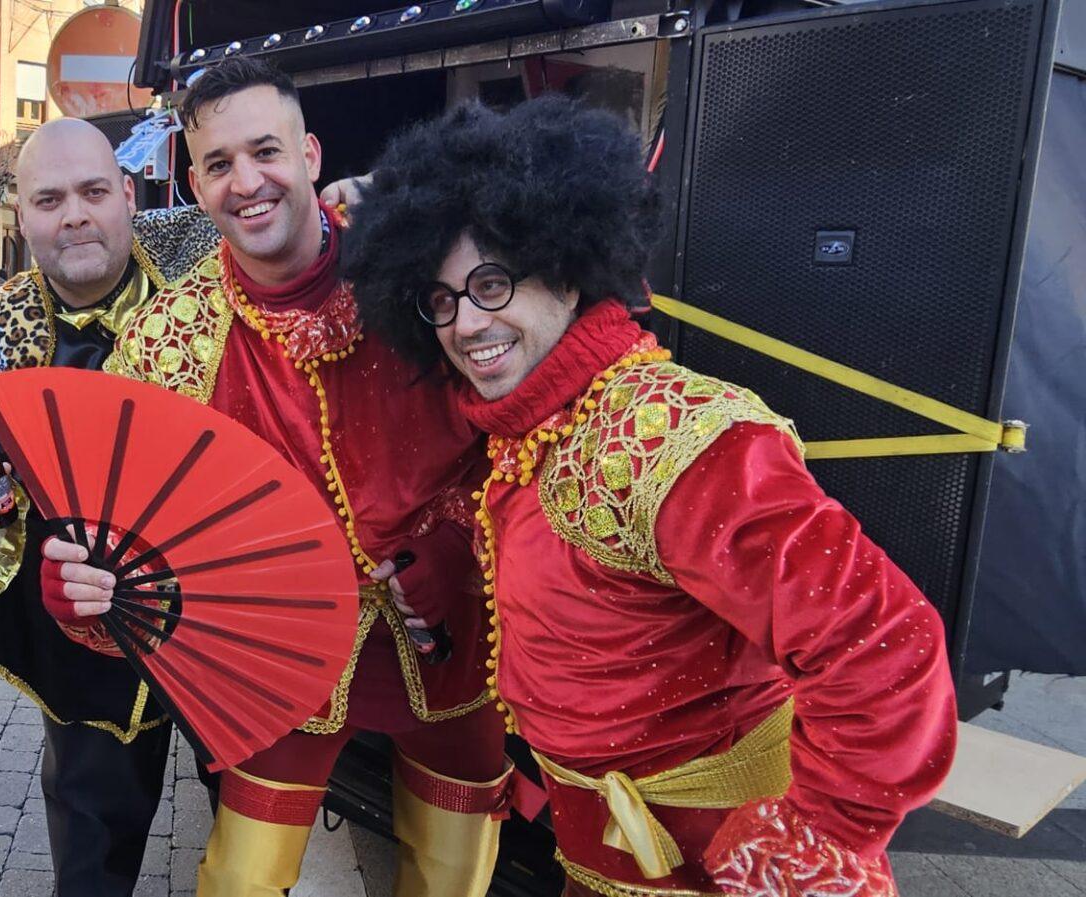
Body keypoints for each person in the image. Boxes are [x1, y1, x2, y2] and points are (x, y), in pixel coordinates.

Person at [346, 97, 957, 897]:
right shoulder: (527, 428)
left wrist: (808, 839)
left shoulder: (676, 438)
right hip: (600, 862)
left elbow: (889, 647)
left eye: (491, 282)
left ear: (565, 264)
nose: (465, 322)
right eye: (441, 300)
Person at [59, 58, 511, 896]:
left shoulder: (424, 280)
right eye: (220, 164)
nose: (247, 181)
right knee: (239, 878)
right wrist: (85, 589)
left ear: (309, 153)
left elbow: (521, 436)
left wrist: (457, 553)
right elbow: (120, 530)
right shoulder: (167, 340)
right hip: (285, 665)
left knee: (454, 879)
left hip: (452, 650)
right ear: (195, 184)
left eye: (264, 151)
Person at [0, 117, 220, 896]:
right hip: (84, 640)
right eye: (49, 198)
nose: (73, 213)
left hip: (223, 620)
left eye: (93, 192)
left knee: (251, 849)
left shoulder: (209, 258)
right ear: (22, 217)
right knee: (92, 859)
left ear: (127, 196)